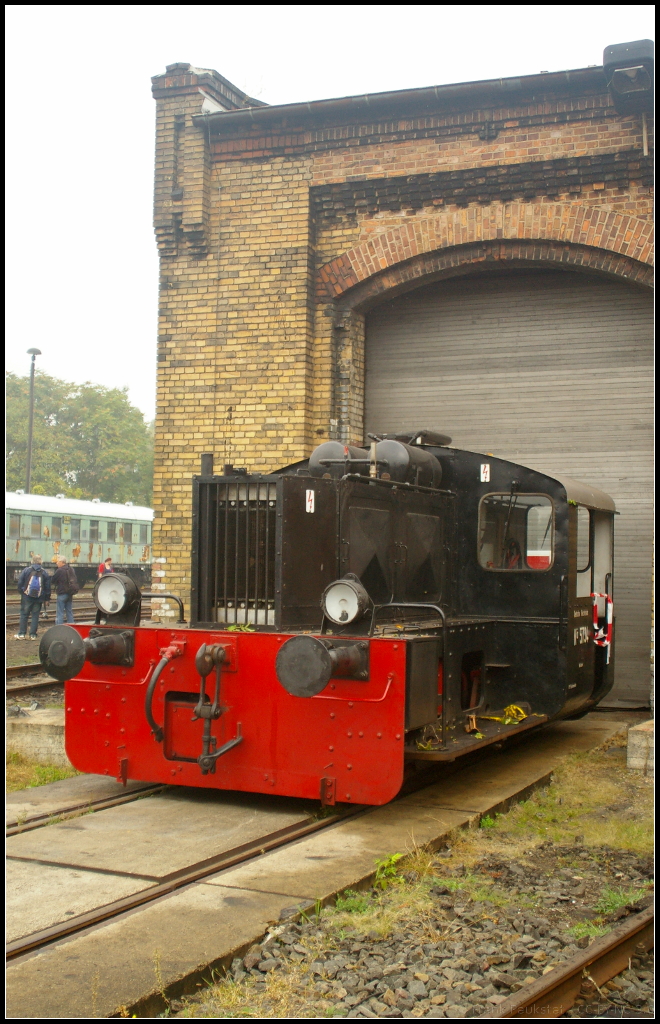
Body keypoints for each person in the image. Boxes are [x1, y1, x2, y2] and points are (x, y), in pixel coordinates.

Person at [15, 555, 52, 640]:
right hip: (39, 598)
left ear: (32, 561)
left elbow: (20, 583)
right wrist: (46, 598)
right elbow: (47, 587)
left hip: (26, 597)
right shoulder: (44, 572)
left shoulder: (26, 570)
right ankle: (33, 635)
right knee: (35, 615)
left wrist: (23, 592)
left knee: (24, 614)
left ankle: (22, 634)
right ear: (40, 562)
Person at [51, 556, 80, 625]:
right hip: (70, 593)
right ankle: (72, 626)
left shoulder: (59, 570)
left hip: (62, 593)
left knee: (60, 613)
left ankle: (59, 628)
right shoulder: (71, 569)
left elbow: (53, 580)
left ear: (61, 562)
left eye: (57, 562)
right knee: (69, 611)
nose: (57, 563)